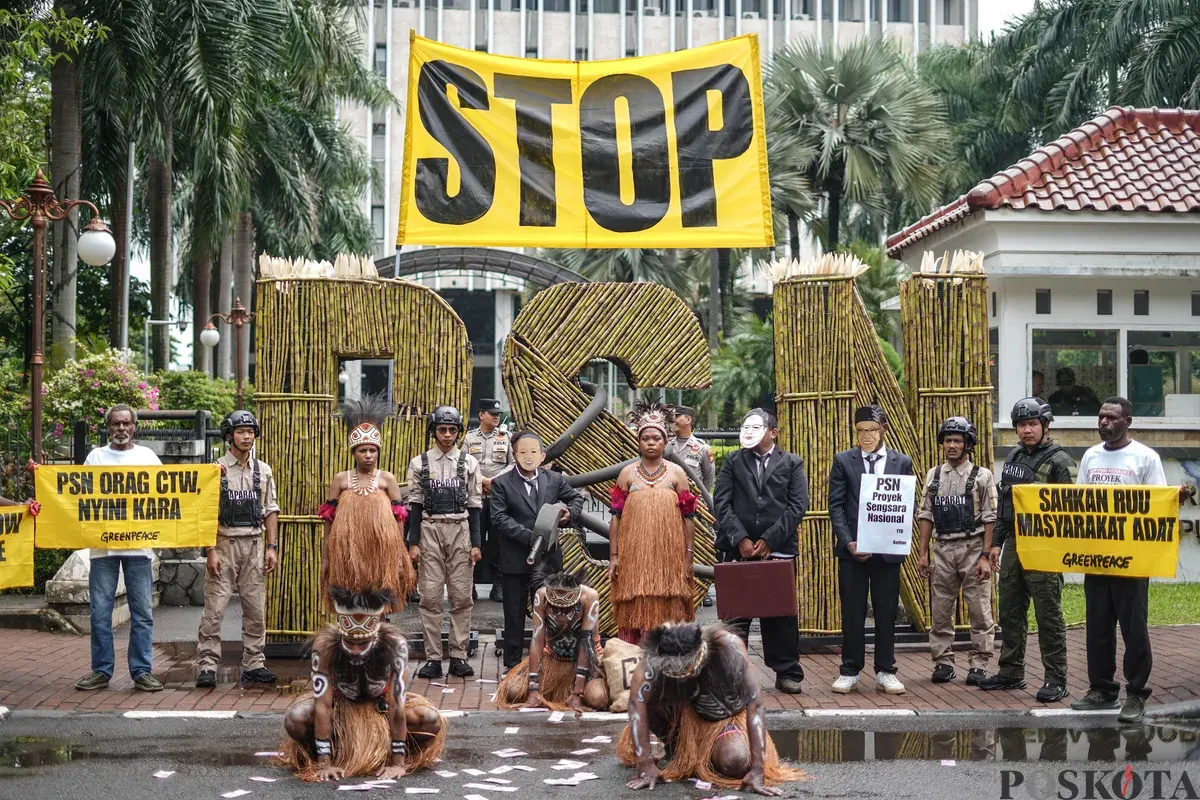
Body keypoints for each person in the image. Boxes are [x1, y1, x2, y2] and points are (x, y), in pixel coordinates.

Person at [1070, 397, 1192, 723]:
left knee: (1133, 627)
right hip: (1097, 556)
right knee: (1097, 626)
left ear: (1128, 421)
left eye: (1111, 418)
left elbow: (1156, 506)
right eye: (1100, 417)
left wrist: (1175, 497)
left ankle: (1136, 694)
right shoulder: (1090, 457)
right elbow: (1080, 503)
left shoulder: (1145, 458)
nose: (1104, 423)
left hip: (1132, 560)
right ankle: (1101, 689)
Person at [278, 588, 447, 782]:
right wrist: (324, 763)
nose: (356, 650)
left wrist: (397, 763)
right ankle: (335, 750)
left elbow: (396, 706)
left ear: (375, 636)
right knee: (296, 719)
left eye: (363, 643)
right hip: (341, 709)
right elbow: (323, 705)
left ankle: (382, 751)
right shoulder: (324, 646)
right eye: (349, 643)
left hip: (381, 709)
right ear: (341, 634)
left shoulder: (396, 645)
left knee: (430, 720)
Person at [618, 622, 806, 795]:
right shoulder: (652, 661)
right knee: (649, 696)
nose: (682, 678)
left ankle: (710, 753)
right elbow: (636, 704)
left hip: (724, 720)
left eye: (687, 670)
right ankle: (675, 749)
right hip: (681, 719)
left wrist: (757, 768)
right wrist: (645, 762)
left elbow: (755, 704)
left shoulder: (730, 647)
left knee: (735, 762)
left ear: (700, 651)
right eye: (675, 672)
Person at [979, 397, 1076, 702]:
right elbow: (1006, 506)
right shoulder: (1014, 458)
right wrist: (996, 545)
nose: (1027, 430)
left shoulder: (1061, 462)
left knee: (1048, 615)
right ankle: (1010, 671)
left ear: (1045, 426)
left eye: (1033, 424)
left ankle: (1056, 678)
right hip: (1013, 546)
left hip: (1044, 548)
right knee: (1009, 610)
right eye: (1021, 425)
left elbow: (1070, 513)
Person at [713, 408, 808, 694]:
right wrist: (740, 538)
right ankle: (732, 674)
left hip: (777, 551)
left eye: (757, 427)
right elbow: (722, 503)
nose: (750, 432)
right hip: (737, 551)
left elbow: (797, 506)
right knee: (736, 617)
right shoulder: (733, 460)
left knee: (781, 616)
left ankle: (787, 672)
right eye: (746, 426)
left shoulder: (792, 463)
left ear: (773, 432)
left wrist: (769, 540)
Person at [74, 404, 164, 692]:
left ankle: (142, 671)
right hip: (103, 548)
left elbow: (169, 491)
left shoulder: (147, 457)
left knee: (143, 613)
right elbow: (78, 493)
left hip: (139, 547)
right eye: (116, 424)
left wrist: (212, 473)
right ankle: (101, 670)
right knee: (100, 612)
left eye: (126, 423)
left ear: (134, 426)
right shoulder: (95, 457)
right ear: (108, 427)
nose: (121, 429)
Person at [828, 405, 914, 696]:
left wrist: (897, 536)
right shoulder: (843, 460)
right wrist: (847, 541)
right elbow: (835, 505)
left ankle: (886, 669)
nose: (866, 435)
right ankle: (850, 670)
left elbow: (905, 505)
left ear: (884, 429)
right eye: (861, 431)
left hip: (887, 551)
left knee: (886, 610)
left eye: (872, 430)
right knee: (852, 610)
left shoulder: (902, 462)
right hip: (853, 551)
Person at [195, 410, 280, 689]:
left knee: (255, 609)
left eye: (251, 431)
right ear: (229, 435)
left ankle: (254, 662)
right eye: (241, 431)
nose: (247, 436)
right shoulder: (214, 468)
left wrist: (271, 547)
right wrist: (210, 550)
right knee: (214, 609)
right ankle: (207, 665)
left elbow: (271, 510)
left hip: (255, 546)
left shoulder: (263, 470)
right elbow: (205, 513)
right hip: (224, 545)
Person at [489, 431, 584, 670]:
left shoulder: (554, 479)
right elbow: (499, 518)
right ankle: (512, 665)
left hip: (548, 561)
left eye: (533, 452)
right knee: (514, 614)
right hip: (514, 559)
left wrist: (568, 514)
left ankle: (551, 662)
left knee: (551, 613)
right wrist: (531, 538)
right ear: (515, 455)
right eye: (523, 452)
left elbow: (576, 499)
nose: (528, 456)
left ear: (542, 456)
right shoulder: (501, 483)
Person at [915, 416, 997, 686]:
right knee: (940, 609)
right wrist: (923, 553)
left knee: (979, 609)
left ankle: (979, 663)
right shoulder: (933, 475)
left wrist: (985, 556)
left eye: (958, 441)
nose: (952, 445)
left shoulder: (983, 476)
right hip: (943, 549)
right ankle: (943, 662)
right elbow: (926, 514)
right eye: (948, 440)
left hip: (974, 548)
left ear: (968, 444)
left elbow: (990, 519)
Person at [608, 402, 698, 644]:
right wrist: (614, 556)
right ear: (638, 442)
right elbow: (615, 517)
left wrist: (689, 555)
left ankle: (667, 662)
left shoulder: (677, 473)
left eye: (656, 438)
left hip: (669, 556)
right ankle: (632, 661)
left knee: (667, 602)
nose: (650, 442)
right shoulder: (627, 474)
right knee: (634, 602)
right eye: (645, 438)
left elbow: (689, 518)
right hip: (634, 555)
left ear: (665, 441)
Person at [406, 405, 483, 680]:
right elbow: (414, 504)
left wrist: (476, 543)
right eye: (442, 429)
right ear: (434, 431)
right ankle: (433, 658)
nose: (447, 435)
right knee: (430, 596)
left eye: (452, 430)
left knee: (462, 596)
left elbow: (475, 505)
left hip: (460, 529)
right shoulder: (419, 463)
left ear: (459, 432)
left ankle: (459, 656)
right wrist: (412, 542)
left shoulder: (469, 463)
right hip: (430, 530)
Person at [319, 395, 415, 615]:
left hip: (380, 553)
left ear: (378, 452)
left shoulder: (387, 479)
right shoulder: (341, 480)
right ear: (354, 453)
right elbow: (329, 521)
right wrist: (327, 556)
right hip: (347, 553)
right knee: (349, 604)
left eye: (372, 450)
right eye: (363, 450)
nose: (368, 455)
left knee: (378, 604)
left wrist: (401, 555)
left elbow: (399, 518)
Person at [496, 570, 608, 713]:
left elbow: (586, 643)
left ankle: (576, 692)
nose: (560, 612)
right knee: (513, 690)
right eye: (556, 608)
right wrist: (533, 690)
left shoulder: (589, 596)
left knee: (598, 698)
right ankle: (548, 692)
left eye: (565, 606)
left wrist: (578, 692)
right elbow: (537, 640)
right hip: (552, 658)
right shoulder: (541, 595)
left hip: (586, 663)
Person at [464, 398, 512, 603]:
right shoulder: (469, 438)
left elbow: (512, 465)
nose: (496, 416)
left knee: (499, 542)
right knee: (472, 540)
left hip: (498, 498)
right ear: (481, 414)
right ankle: (470, 583)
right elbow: (463, 463)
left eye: (498, 414)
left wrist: (494, 481)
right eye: (491, 413)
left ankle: (498, 584)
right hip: (475, 499)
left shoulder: (505, 437)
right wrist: (482, 480)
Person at [669, 406, 715, 492]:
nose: (673, 420)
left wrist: (700, 498)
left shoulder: (702, 448)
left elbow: (709, 478)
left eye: (676, 416)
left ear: (688, 420)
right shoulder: (667, 446)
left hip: (693, 500)